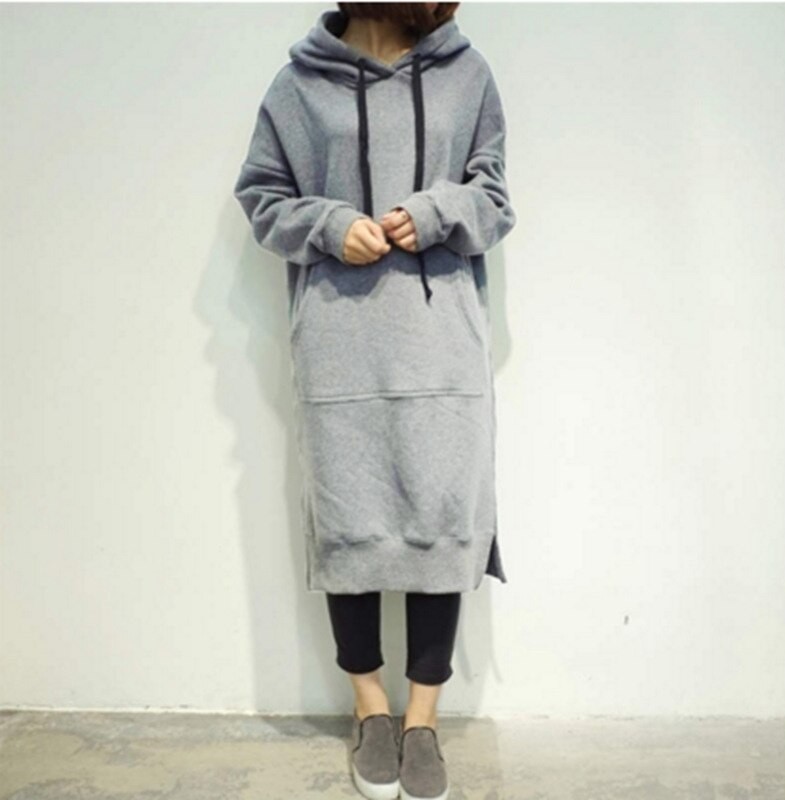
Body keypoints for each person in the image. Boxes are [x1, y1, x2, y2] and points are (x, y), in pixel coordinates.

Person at [233, 4, 515, 798]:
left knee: (440, 522)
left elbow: (494, 198)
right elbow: (261, 196)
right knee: (350, 525)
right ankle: (371, 711)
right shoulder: (298, 87)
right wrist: (328, 225)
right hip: (340, 346)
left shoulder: (467, 76)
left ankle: (422, 719)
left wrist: (432, 213)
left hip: (442, 344)